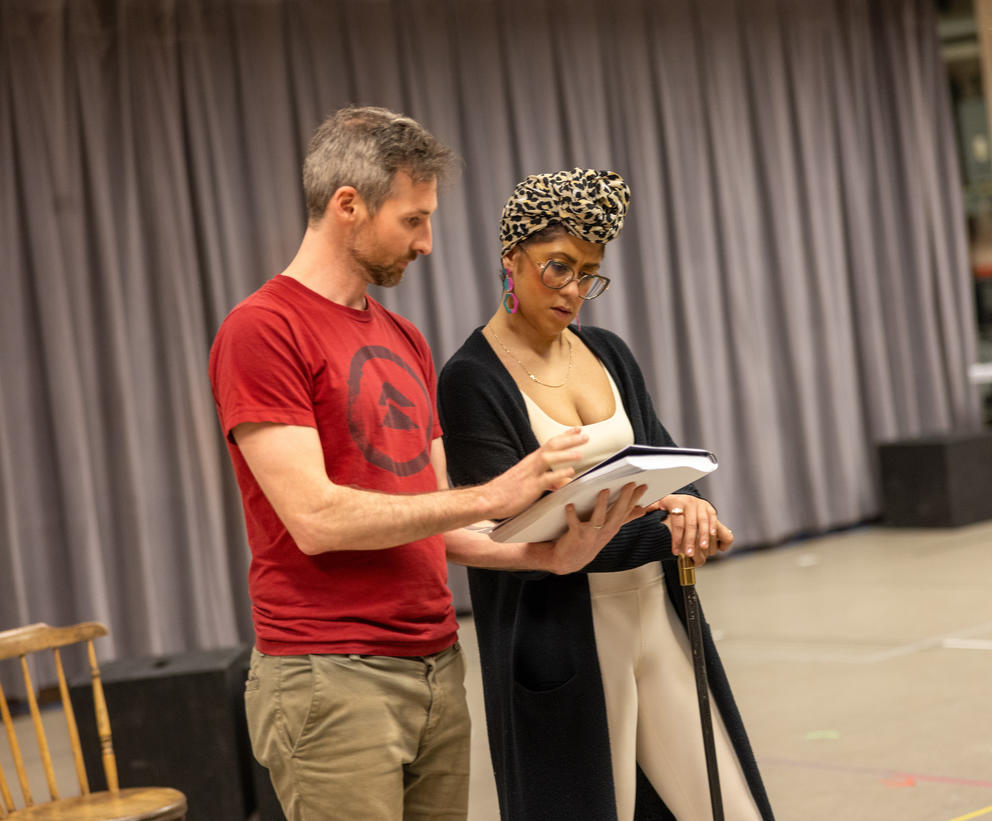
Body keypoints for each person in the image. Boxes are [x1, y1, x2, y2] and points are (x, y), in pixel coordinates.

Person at [208, 113, 648, 821]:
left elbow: (432, 524)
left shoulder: (403, 337)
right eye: (414, 219)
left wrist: (548, 555)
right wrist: (494, 494)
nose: (427, 242)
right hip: (331, 676)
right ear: (349, 205)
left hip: (436, 665)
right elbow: (317, 519)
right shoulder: (263, 329)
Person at [438, 168, 776, 820]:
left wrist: (697, 508)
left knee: (732, 806)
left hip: (659, 619)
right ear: (512, 256)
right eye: (558, 268)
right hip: (561, 644)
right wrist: (668, 523)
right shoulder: (471, 378)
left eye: (589, 274)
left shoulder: (609, 352)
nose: (574, 291)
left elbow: (674, 466)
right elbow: (525, 530)